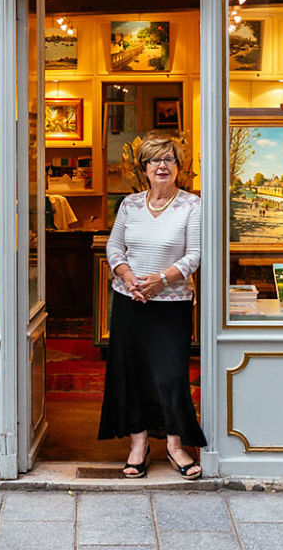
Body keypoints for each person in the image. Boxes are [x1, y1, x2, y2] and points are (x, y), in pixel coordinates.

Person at [97, 133, 206, 479]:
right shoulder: (129, 205)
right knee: (132, 374)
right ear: (144, 168)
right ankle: (138, 446)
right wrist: (128, 276)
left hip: (171, 304)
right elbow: (114, 248)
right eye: (154, 160)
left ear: (179, 167)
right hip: (131, 302)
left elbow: (195, 255)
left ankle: (175, 446)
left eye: (169, 159)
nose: (162, 165)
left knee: (171, 375)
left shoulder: (191, 205)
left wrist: (161, 278)